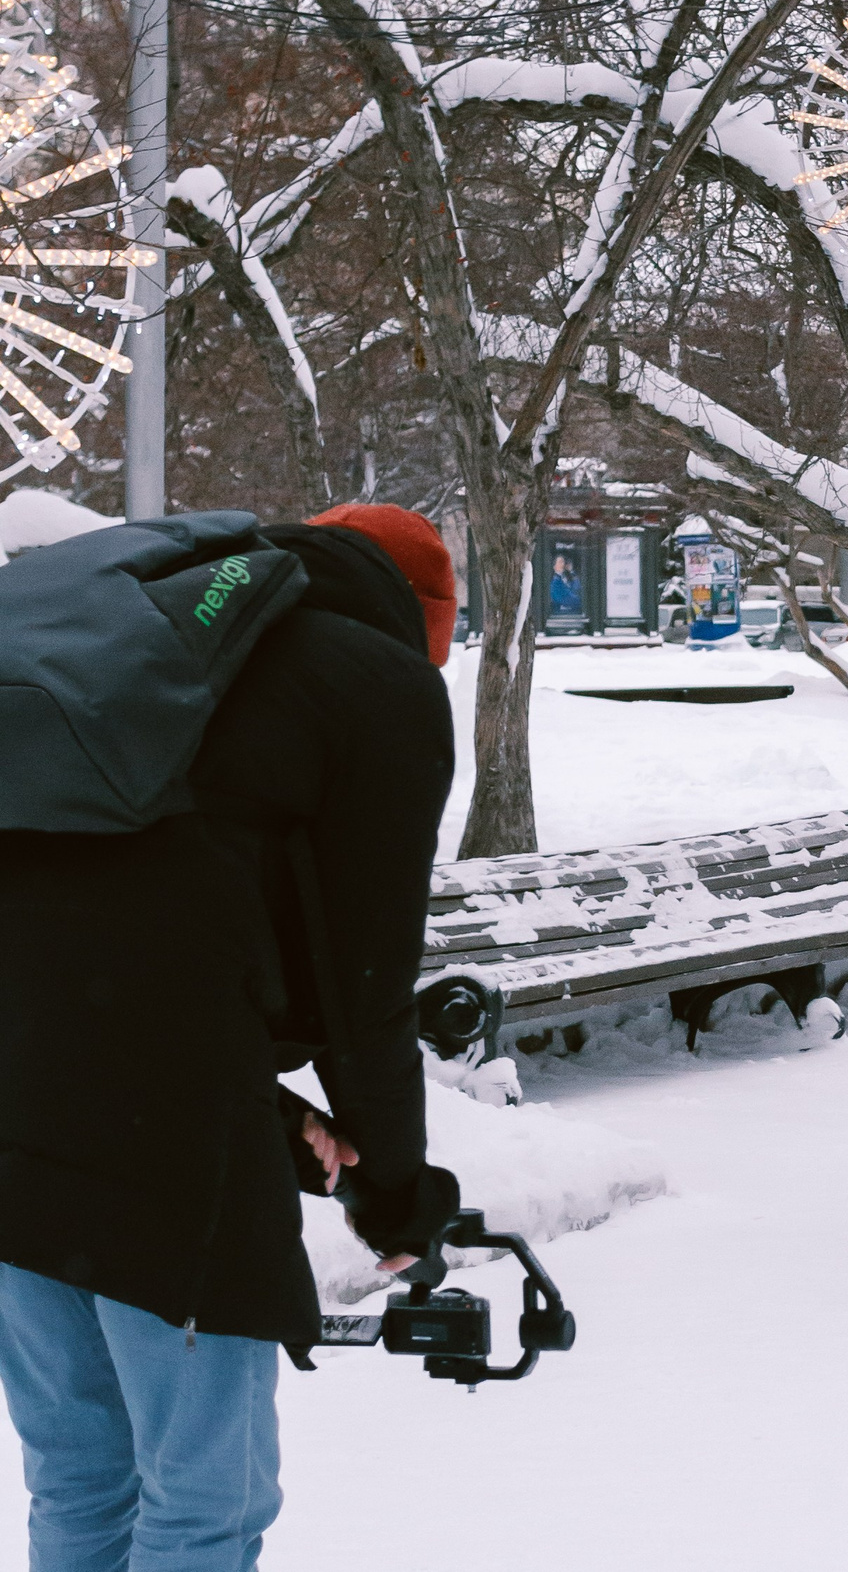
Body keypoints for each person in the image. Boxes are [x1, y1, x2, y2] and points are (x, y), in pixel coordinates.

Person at [0, 503, 462, 1571]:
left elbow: (127, 913)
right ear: (422, 621)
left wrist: (276, 1108)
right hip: (166, 1143)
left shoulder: (164, 655)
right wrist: (394, 1186)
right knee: (206, 1500)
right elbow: (366, 979)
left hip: (16, 1104)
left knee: (80, 1477)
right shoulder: (370, 683)